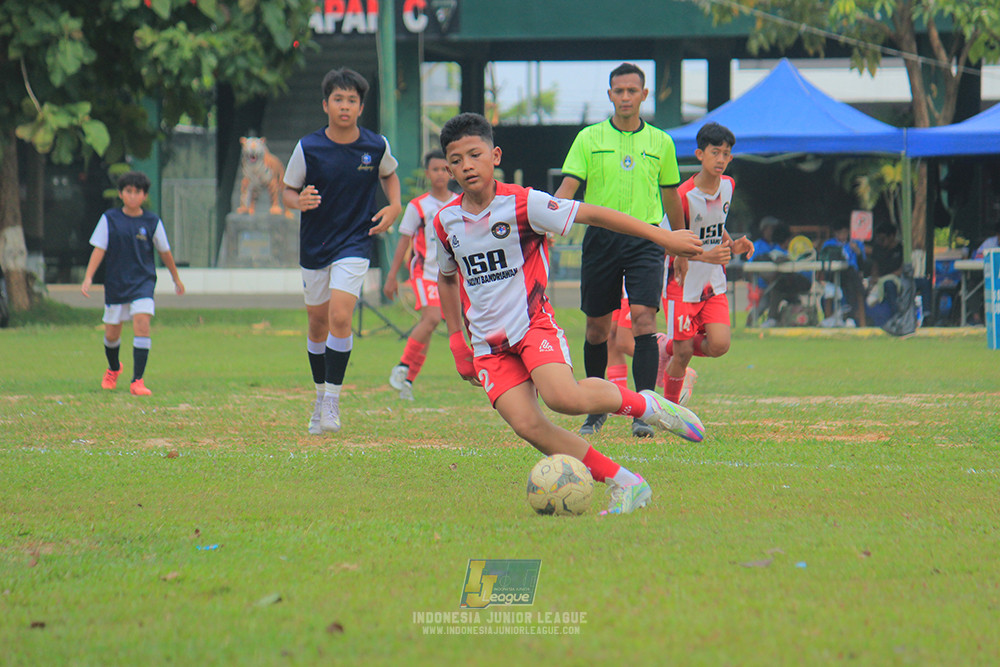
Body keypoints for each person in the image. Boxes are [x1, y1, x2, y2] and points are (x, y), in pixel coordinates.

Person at [435, 112, 705, 516]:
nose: (466, 166)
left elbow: (595, 214)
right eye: (456, 161)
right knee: (528, 426)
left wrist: (664, 237)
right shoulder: (446, 221)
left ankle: (649, 406)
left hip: (531, 325)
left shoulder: (525, 203)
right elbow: (447, 278)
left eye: (474, 155)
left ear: (495, 156)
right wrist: (458, 341)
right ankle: (627, 483)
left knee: (564, 398)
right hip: (488, 346)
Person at [554, 62, 685, 438]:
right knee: (598, 328)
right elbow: (568, 188)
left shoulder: (661, 142)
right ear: (609, 94)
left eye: (632, 91)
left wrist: (679, 244)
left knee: (644, 318)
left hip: (646, 239)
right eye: (618, 91)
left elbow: (671, 194)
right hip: (600, 239)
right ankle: (595, 408)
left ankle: (643, 411)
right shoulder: (589, 138)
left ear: (644, 95)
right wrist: (548, 222)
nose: (625, 97)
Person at [283, 67, 402, 435]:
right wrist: (297, 199)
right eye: (338, 99)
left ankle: (333, 400)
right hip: (315, 244)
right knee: (317, 325)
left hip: (354, 242)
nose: (345, 106)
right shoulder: (308, 147)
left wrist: (394, 206)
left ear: (361, 107)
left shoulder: (375, 145)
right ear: (326, 105)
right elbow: (286, 190)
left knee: (340, 316)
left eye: (352, 100)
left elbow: (389, 174)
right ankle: (319, 396)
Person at [660, 123, 753, 405]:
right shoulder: (683, 196)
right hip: (681, 284)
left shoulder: (728, 186)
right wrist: (704, 256)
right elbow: (666, 243)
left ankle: (667, 346)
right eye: (715, 152)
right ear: (700, 154)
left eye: (726, 154)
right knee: (684, 352)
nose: (721, 159)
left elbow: (715, 225)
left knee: (720, 344)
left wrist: (732, 243)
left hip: (712, 283)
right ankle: (670, 408)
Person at [81, 171, 185, 396]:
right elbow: (99, 249)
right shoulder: (109, 219)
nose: (133, 196)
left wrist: (176, 278)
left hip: (143, 283)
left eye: (137, 192)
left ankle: (137, 380)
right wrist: (89, 277)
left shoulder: (152, 221)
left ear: (144, 195)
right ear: (121, 193)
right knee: (111, 335)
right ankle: (114, 368)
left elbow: (165, 252)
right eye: (128, 191)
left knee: (142, 324)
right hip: (117, 284)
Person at [383, 150, 456, 400]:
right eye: (435, 169)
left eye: (444, 169)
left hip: (452, 277)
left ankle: (407, 383)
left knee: (428, 327)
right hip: (425, 273)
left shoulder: (460, 202)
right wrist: (392, 276)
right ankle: (402, 366)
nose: (440, 174)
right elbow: (404, 241)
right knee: (432, 318)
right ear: (427, 173)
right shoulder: (418, 206)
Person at [820, 220, 867, 326]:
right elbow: (823, 262)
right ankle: (849, 315)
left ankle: (850, 317)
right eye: (840, 233)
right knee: (851, 278)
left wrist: (857, 252)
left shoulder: (856, 244)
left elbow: (863, 265)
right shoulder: (829, 244)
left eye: (845, 232)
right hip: (834, 275)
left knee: (851, 277)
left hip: (851, 276)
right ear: (835, 233)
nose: (843, 235)